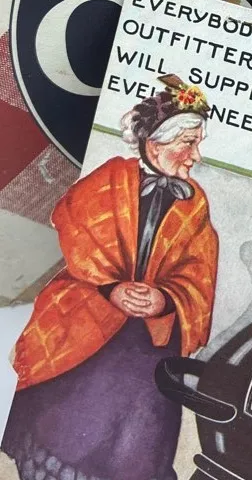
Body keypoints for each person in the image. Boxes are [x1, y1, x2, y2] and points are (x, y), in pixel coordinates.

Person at [2, 75, 219, 480]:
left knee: (142, 415)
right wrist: (111, 287)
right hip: (89, 313)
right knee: (68, 413)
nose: (195, 156)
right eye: (188, 143)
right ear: (155, 142)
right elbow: (74, 228)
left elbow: (198, 272)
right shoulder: (110, 178)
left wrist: (165, 299)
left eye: (197, 143)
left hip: (152, 338)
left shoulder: (195, 203)